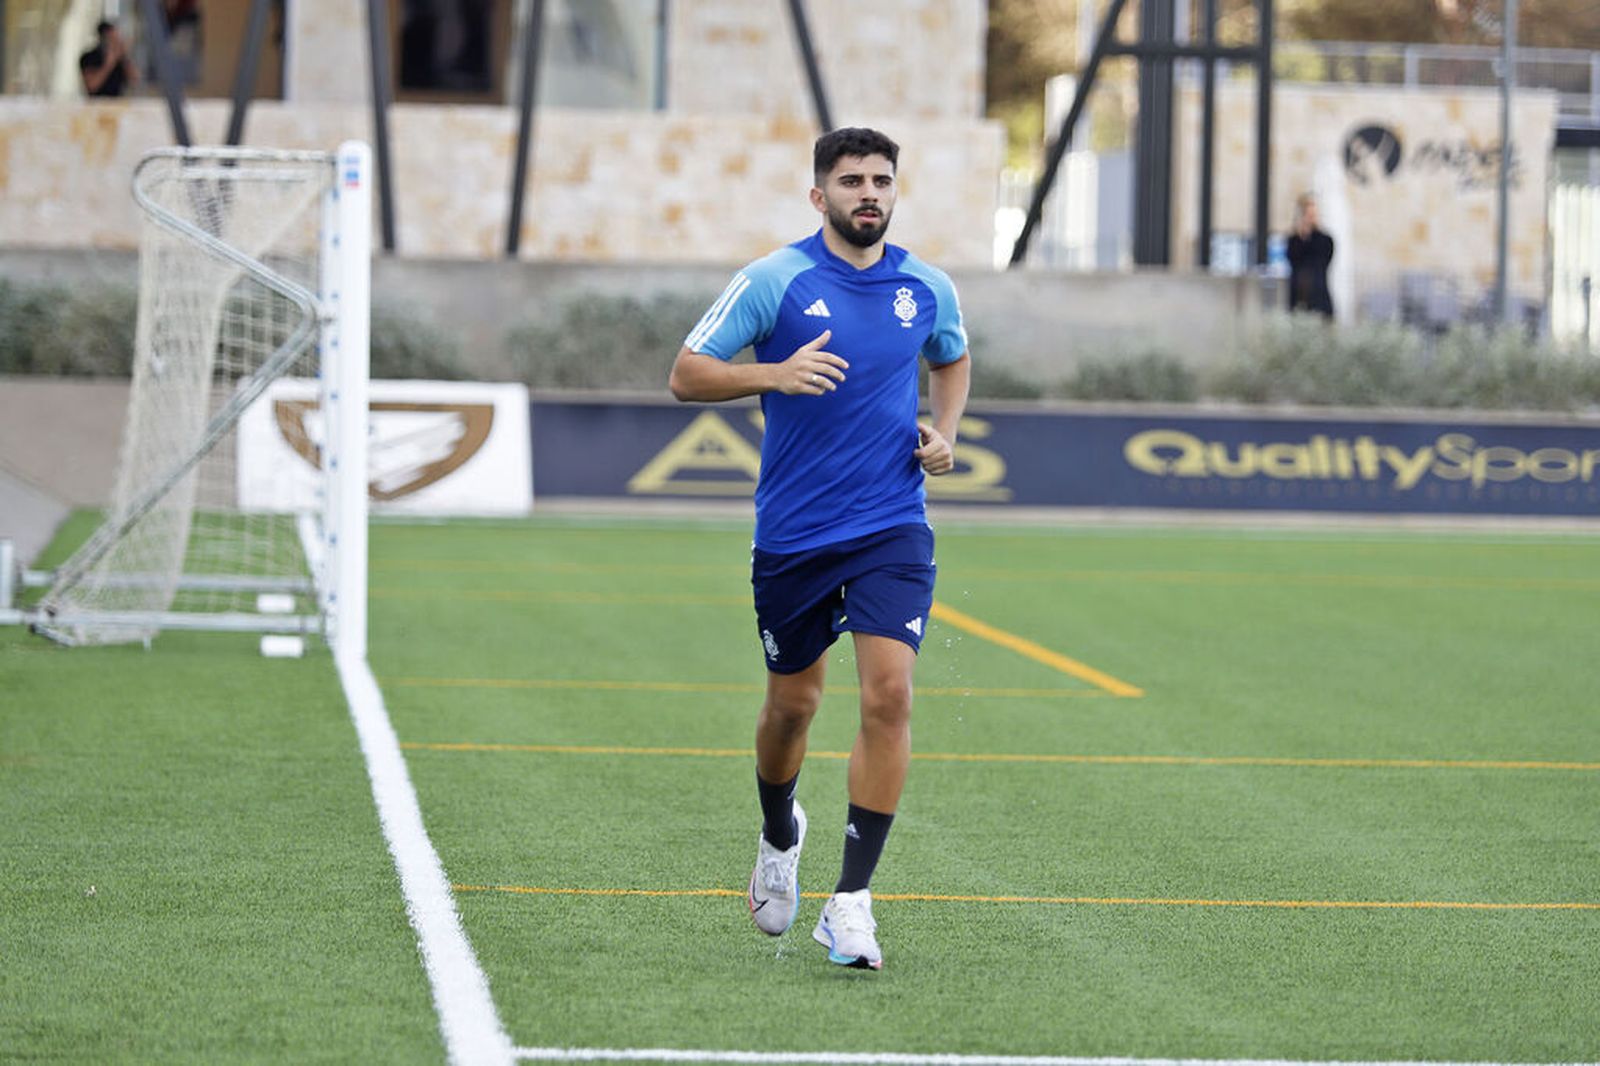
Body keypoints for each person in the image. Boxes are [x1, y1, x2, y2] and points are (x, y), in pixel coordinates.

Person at [668, 127, 971, 971]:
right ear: (819, 196)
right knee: (792, 708)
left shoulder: (926, 286)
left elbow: (951, 358)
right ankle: (778, 833)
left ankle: (851, 904)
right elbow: (687, 373)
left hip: (891, 524)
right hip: (795, 536)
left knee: (890, 696)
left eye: (881, 180)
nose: (868, 193)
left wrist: (944, 431)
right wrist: (773, 373)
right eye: (851, 181)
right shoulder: (774, 280)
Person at [1286, 192, 1335, 319]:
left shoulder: (1325, 240)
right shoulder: (1294, 240)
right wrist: (1303, 234)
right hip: (1298, 297)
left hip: (1319, 297)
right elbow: (1294, 260)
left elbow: (1322, 261)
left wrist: (1311, 234)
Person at [79, 21, 138, 98]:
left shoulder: (120, 59)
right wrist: (109, 63)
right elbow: (92, 86)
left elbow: (135, 80)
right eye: (111, 38)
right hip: (96, 102)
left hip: (117, 102)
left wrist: (123, 57)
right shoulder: (89, 58)